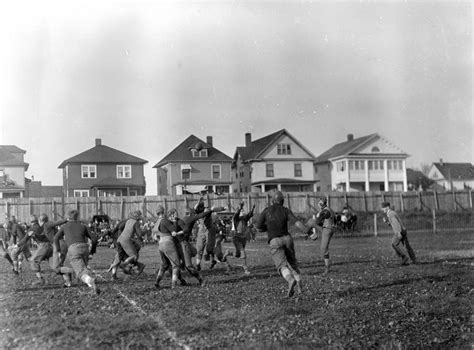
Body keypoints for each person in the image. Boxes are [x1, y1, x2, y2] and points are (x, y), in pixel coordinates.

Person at [256, 190, 308, 298]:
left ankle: (290, 280)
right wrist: (308, 232)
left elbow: (258, 227)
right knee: (293, 264)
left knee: (281, 265)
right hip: (287, 238)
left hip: (275, 240)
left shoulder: (266, 211)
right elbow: (297, 223)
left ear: (272, 201)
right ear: (282, 201)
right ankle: (300, 289)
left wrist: (269, 228)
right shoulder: (285, 210)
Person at [54, 210, 99, 294]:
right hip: (85, 248)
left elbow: (56, 238)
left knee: (80, 272)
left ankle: (90, 281)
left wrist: (58, 250)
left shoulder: (64, 226)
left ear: (68, 217)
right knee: (83, 269)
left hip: (73, 249)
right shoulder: (84, 226)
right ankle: (91, 286)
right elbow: (94, 239)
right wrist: (92, 252)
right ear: (77, 217)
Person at [228, 202, 255, 275]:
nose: (243, 211)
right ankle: (246, 269)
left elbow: (249, 215)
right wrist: (240, 208)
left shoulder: (244, 219)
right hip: (236, 238)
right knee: (243, 252)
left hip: (243, 238)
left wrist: (252, 208)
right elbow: (236, 214)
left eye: (243, 210)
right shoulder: (235, 219)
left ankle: (228, 253)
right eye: (241, 211)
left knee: (237, 254)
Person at [311, 197, 336, 276]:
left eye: (320, 203)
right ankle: (311, 234)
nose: (319, 204)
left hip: (327, 230)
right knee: (311, 223)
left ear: (323, 203)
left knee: (323, 249)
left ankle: (327, 268)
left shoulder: (325, 211)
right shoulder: (328, 209)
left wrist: (317, 217)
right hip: (328, 229)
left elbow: (318, 221)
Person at [116, 210, 146, 275]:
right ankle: (125, 265)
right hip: (126, 240)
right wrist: (145, 231)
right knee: (134, 256)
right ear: (138, 216)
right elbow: (140, 234)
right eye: (140, 215)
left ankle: (130, 268)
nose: (141, 216)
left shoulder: (128, 220)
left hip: (120, 239)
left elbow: (120, 227)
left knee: (128, 256)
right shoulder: (136, 222)